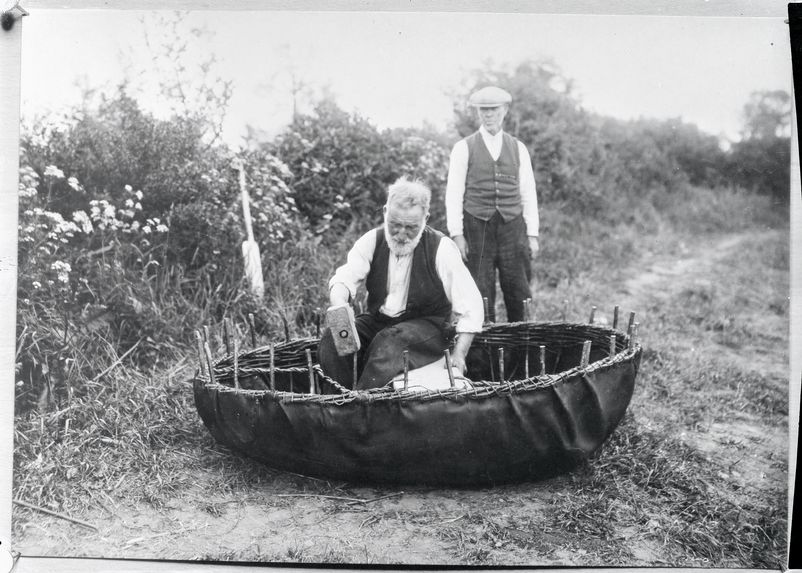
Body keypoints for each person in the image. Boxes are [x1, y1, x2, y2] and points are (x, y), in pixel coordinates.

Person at [318, 178, 484, 390]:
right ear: (386, 211)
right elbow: (345, 277)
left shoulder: (441, 248)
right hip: (381, 323)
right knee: (332, 337)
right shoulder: (372, 240)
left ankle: (361, 408)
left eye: (411, 228)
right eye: (395, 225)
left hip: (428, 328)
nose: (401, 235)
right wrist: (340, 304)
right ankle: (336, 402)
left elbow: (471, 306)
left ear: (426, 218)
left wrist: (459, 355)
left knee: (388, 344)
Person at [445, 85, 540, 323]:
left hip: (512, 227)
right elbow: (454, 193)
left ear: (505, 110)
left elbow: (528, 192)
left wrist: (532, 234)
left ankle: (520, 351)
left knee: (519, 290)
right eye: (483, 110)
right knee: (480, 292)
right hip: (477, 227)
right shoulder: (463, 148)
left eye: (494, 109)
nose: (488, 115)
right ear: (477, 113)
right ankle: (486, 352)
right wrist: (457, 234)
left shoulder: (518, 148)